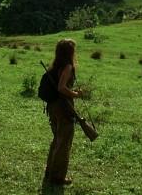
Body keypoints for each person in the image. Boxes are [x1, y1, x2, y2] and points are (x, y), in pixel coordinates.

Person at [44, 38, 83, 186]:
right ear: (70, 52)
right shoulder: (67, 66)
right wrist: (75, 94)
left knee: (57, 140)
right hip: (63, 108)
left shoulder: (55, 66)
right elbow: (61, 88)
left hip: (53, 107)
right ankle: (57, 177)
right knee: (64, 143)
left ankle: (50, 172)